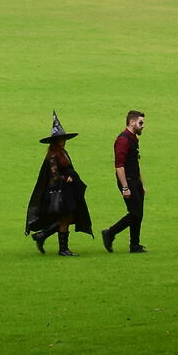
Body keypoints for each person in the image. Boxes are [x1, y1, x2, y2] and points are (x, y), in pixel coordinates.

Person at [25, 114, 93, 255]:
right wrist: (65, 178)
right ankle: (62, 248)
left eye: (63, 139)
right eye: (60, 139)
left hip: (64, 191)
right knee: (66, 217)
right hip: (57, 192)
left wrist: (70, 176)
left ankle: (43, 236)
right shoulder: (52, 156)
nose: (63, 141)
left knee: (68, 217)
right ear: (55, 141)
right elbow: (54, 175)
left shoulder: (63, 153)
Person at [101, 109, 147, 254]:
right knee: (135, 213)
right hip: (127, 181)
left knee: (138, 213)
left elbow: (135, 163)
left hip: (135, 181)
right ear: (131, 122)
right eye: (140, 123)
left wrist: (141, 184)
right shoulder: (123, 140)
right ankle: (110, 232)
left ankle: (135, 245)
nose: (143, 126)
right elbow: (119, 166)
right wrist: (125, 187)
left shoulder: (133, 139)